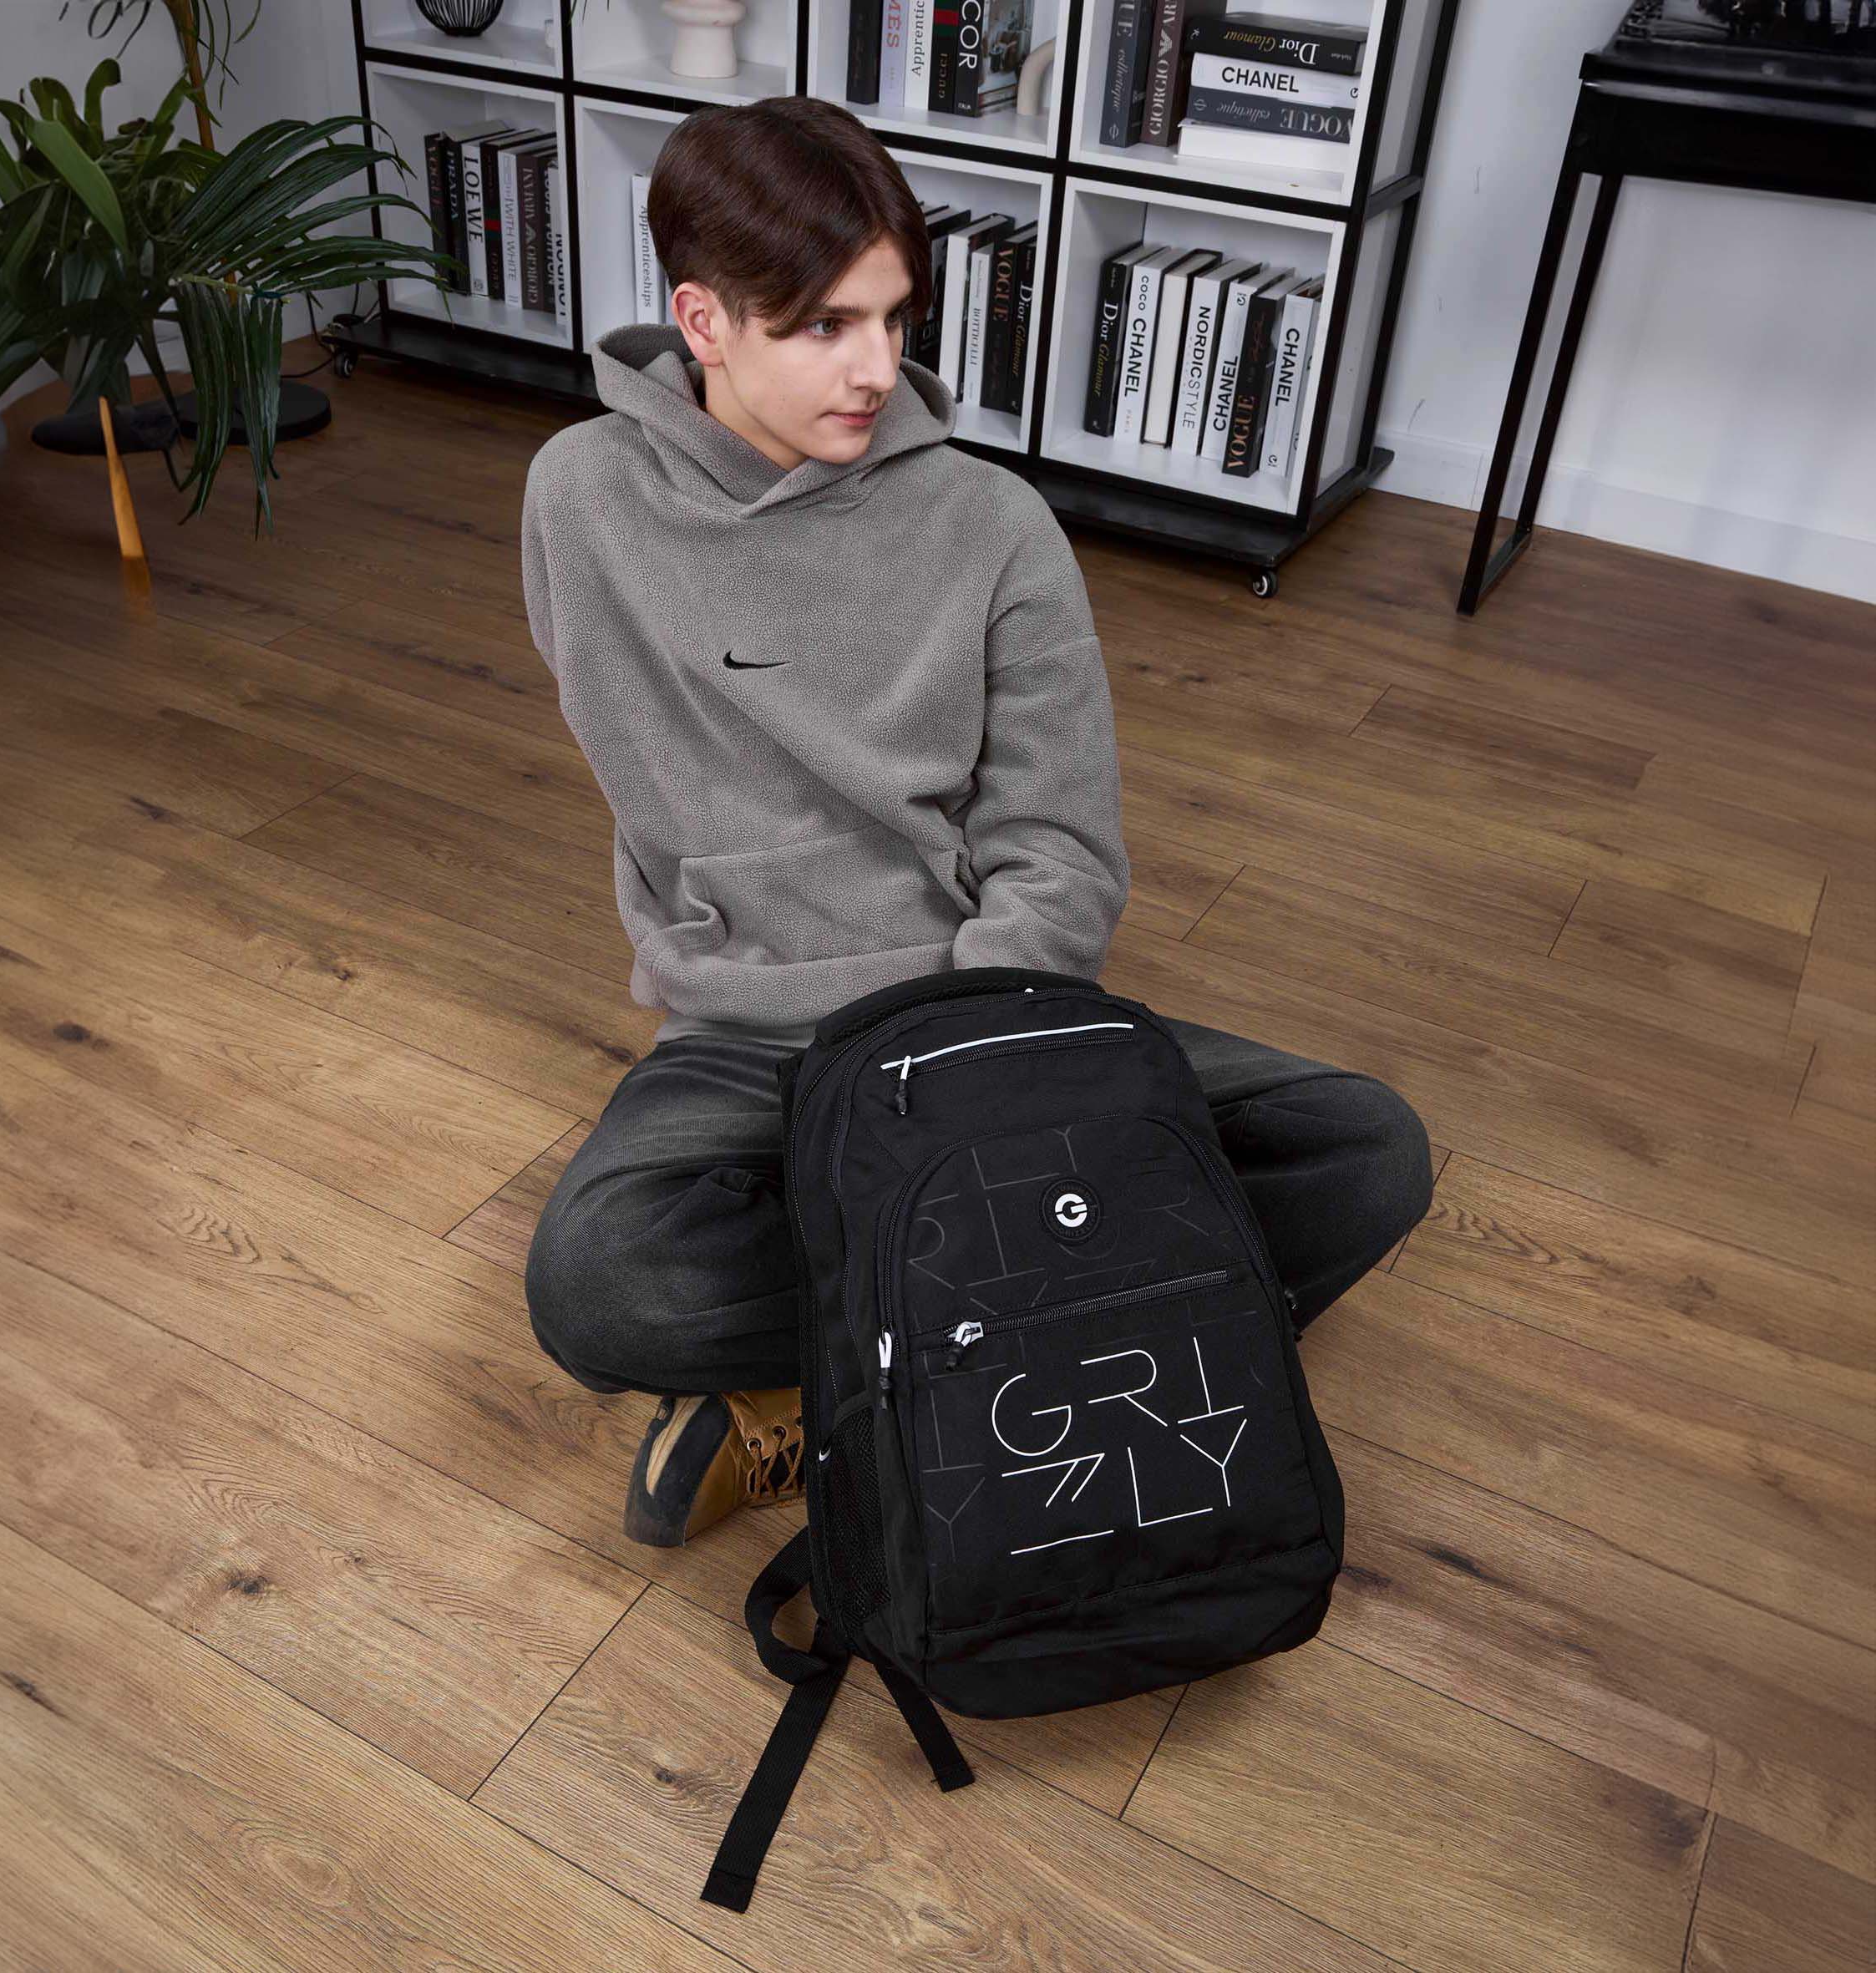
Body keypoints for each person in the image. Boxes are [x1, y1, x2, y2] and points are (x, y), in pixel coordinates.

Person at [520, 95, 1433, 1549]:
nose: (878, 367)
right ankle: (1067, 1331)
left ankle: (829, 1397)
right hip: (744, 1035)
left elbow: (1057, 846)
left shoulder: (994, 524)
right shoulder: (580, 499)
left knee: (1364, 1150)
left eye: (895, 316)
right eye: (825, 326)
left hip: (979, 1017)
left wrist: (957, 1088)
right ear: (702, 321)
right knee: (598, 1279)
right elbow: (653, 772)